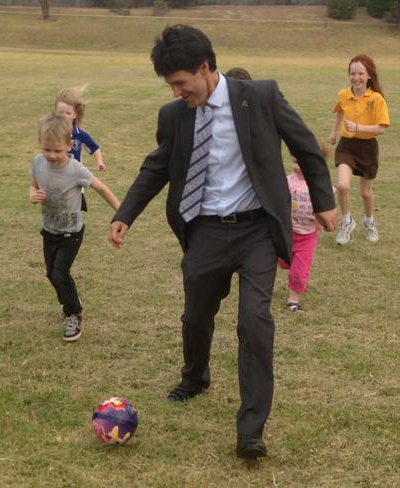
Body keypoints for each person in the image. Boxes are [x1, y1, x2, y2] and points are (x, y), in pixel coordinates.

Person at [108, 24, 337, 458]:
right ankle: (195, 376)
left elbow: (306, 146)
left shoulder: (261, 96)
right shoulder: (174, 116)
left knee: (255, 323)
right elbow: (157, 167)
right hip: (207, 230)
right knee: (196, 317)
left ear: (205, 67)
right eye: (170, 85)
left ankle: (251, 430)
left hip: (257, 231)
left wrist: (324, 201)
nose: (177, 92)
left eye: (181, 82)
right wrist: (126, 214)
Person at [30, 113, 119, 342]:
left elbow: (101, 189)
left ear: (70, 145)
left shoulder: (76, 169)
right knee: (51, 274)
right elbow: (32, 185)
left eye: (57, 150)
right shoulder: (38, 162)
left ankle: (73, 313)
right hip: (48, 230)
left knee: (60, 273)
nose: (51, 155)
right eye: (46, 149)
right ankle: (70, 304)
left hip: (72, 233)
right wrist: (33, 194)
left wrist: (122, 213)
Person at [328, 54, 390, 245]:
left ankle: (369, 222)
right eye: (352, 73)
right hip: (347, 145)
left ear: (369, 75)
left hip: (367, 148)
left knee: (365, 192)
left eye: (360, 74)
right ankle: (346, 223)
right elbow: (339, 111)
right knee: (343, 185)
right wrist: (334, 132)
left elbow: (382, 128)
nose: (356, 78)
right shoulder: (343, 94)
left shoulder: (377, 99)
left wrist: (358, 127)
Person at [278, 147, 332, 312]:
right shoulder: (287, 181)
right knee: (284, 262)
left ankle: (293, 300)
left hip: (307, 236)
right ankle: (295, 275)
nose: (297, 167)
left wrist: (321, 220)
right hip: (286, 233)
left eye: (303, 163)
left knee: (299, 272)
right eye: (295, 161)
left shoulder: (319, 185)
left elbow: (327, 206)